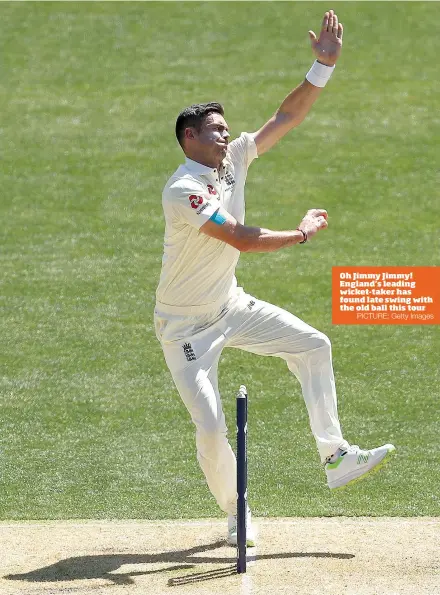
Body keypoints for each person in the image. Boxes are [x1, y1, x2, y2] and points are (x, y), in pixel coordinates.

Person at [154, 9, 395, 547]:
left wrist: (321, 68)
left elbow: (285, 118)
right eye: (215, 129)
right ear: (189, 137)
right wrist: (300, 234)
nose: (226, 134)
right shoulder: (183, 189)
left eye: (224, 127)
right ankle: (236, 510)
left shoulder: (232, 159)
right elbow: (239, 236)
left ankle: (335, 455)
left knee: (314, 344)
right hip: (185, 329)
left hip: (231, 305)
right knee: (213, 427)